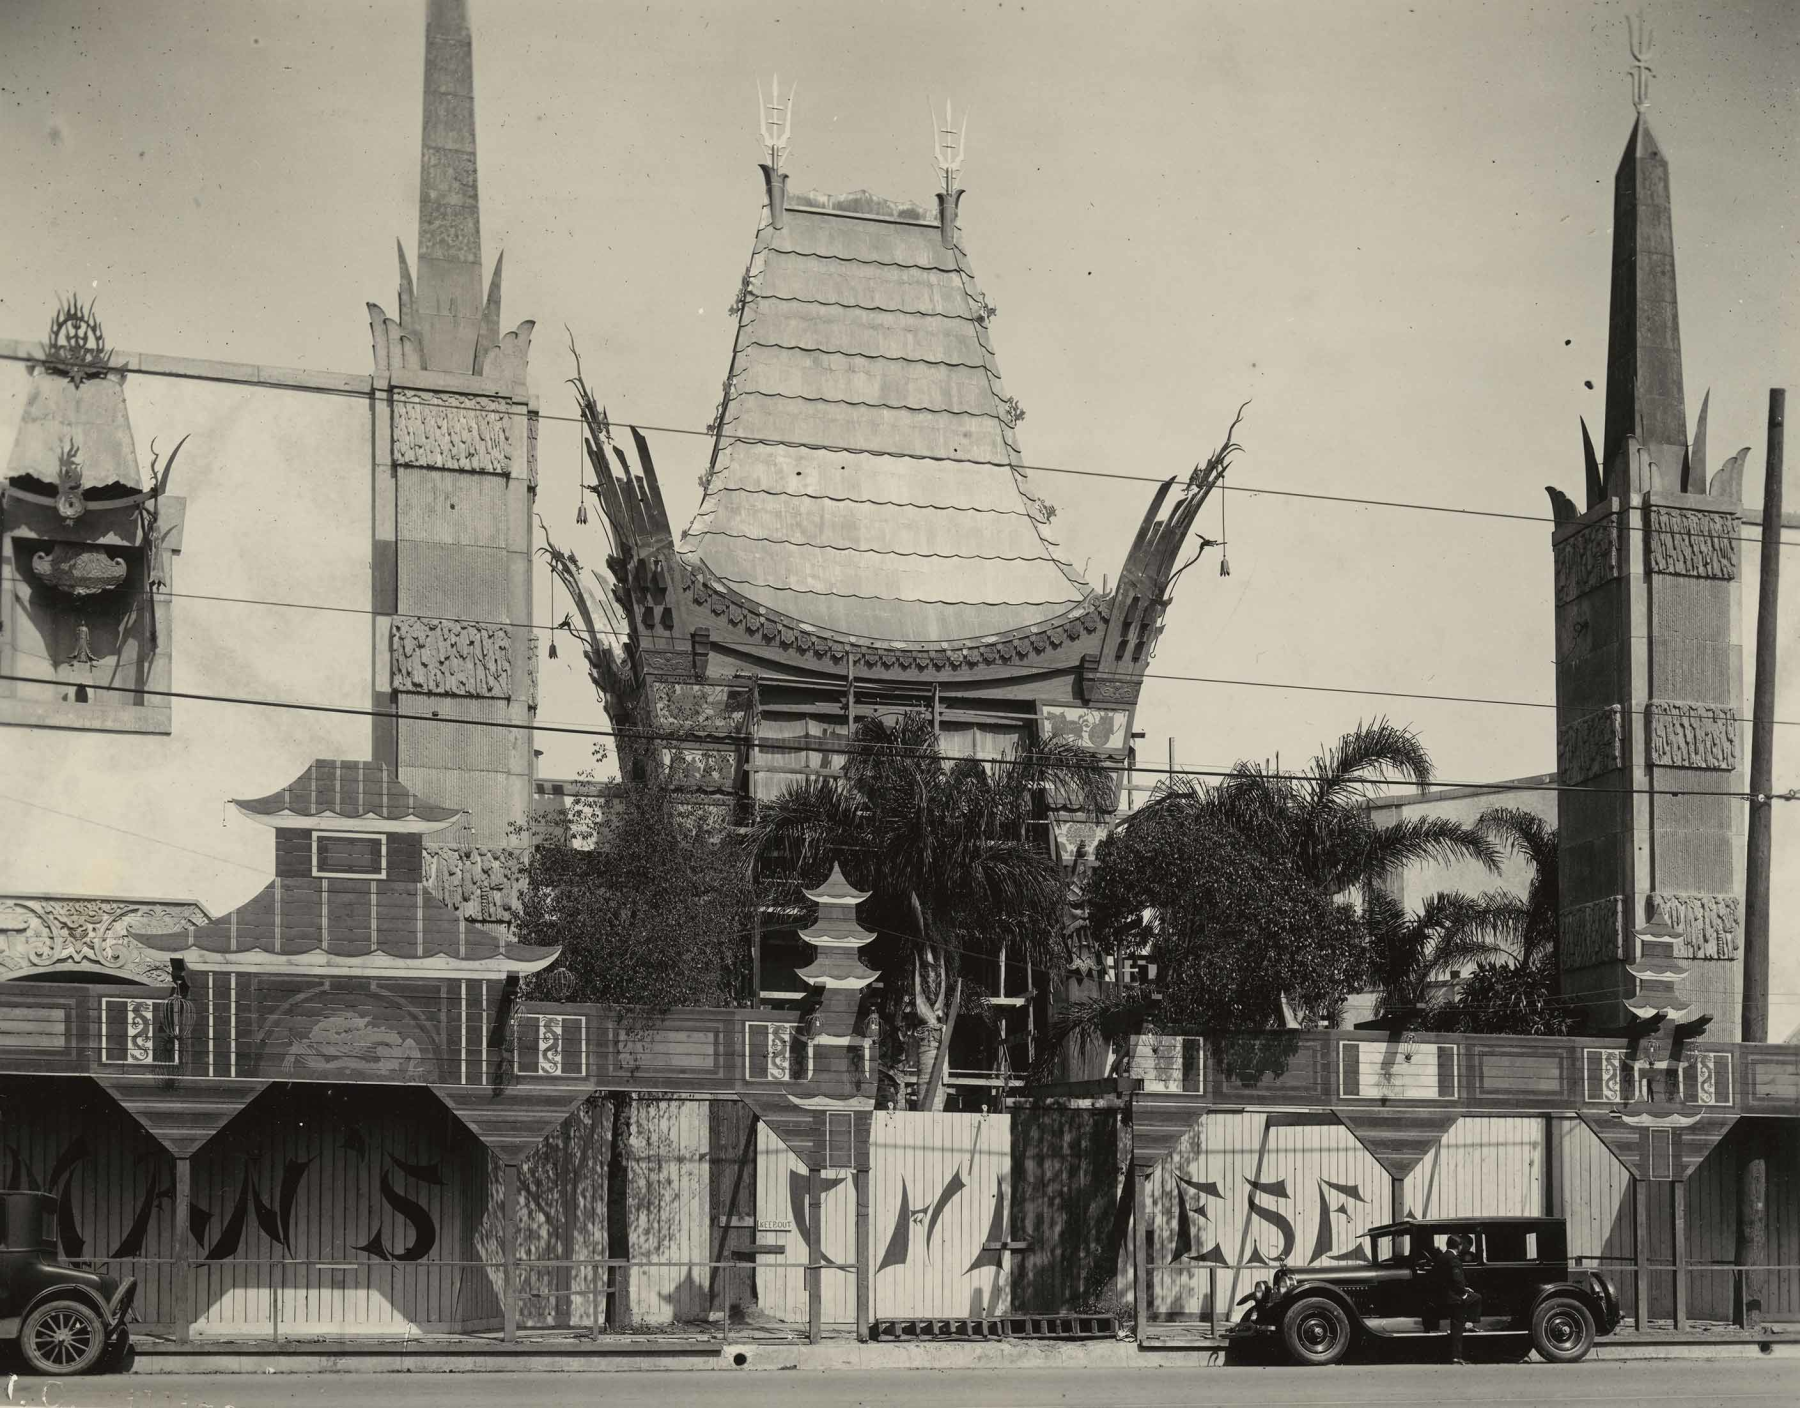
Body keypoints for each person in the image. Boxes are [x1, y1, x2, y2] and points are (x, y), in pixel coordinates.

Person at [1424, 1233, 1482, 1364]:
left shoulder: (1441, 1257)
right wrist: (1464, 1293)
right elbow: (1457, 1281)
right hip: (1454, 1298)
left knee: (1474, 1299)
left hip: (1442, 1296)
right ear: (1459, 1246)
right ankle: (1456, 1354)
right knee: (1475, 1301)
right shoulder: (1454, 1259)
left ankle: (1468, 1324)